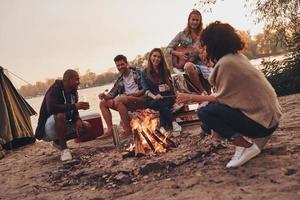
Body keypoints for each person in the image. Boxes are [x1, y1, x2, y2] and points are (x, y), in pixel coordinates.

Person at [176, 21, 282, 168]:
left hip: (263, 124)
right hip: (270, 118)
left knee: (205, 111)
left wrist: (190, 98)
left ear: (213, 44)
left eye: (204, 45)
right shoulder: (236, 57)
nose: (202, 49)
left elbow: (221, 99)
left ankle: (244, 146)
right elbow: (229, 96)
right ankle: (221, 137)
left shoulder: (226, 64)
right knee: (208, 108)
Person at [35, 69, 91, 161]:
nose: (79, 82)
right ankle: (64, 150)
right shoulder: (54, 89)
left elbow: (74, 112)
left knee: (87, 126)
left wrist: (77, 120)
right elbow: (51, 108)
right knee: (60, 115)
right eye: (76, 79)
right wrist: (75, 106)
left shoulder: (73, 93)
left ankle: (58, 142)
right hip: (47, 130)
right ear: (69, 80)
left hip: (61, 125)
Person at [98, 54, 147, 139]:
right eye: (118, 65)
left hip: (140, 100)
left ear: (127, 63)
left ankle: (127, 130)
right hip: (126, 102)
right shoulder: (120, 80)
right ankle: (110, 130)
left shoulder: (139, 71)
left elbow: (148, 87)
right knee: (103, 103)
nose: (120, 67)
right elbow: (112, 94)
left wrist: (137, 94)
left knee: (119, 99)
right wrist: (104, 96)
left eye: (122, 64)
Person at [167, 9, 211, 94]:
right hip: (187, 63)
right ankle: (202, 92)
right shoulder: (181, 34)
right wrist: (179, 53)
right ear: (189, 20)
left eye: (197, 20)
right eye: (193, 19)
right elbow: (168, 48)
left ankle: (211, 93)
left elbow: (208, 50)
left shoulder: (203, 34)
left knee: (212, 68)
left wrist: (202, 52)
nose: (194, 22)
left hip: (202, 62)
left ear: (200, 21)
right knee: (188, 66)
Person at [141, 48, 182, 134]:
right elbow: (145, 90)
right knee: (158, 103)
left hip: (166, 97)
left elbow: (171, 87)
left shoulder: (165, 70)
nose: (156, 59)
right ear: (150, 57)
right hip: (153, 99)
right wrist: (154, 96)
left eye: (159, 57)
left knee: (165, 103)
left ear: (161, 59)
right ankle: (173, 122)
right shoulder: (144, 72)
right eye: (154, 56)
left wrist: (168, 88)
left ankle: (162, 127)